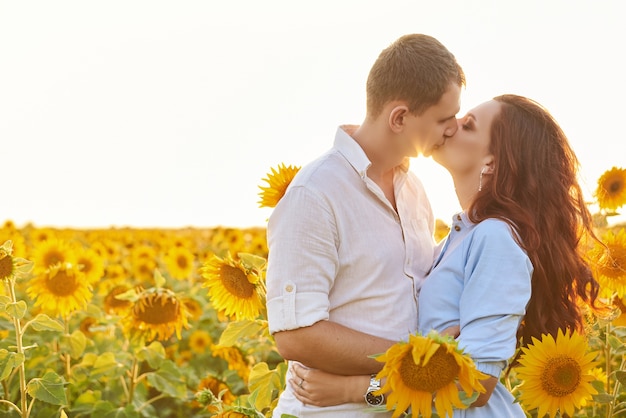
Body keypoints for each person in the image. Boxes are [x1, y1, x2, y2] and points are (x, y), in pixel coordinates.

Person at [287, 94, 602, 416]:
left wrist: (353, 389)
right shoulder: (462, 236)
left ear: (492, 161)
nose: (451, 127)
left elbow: (476, 384)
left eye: (468, 126)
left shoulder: (495, 238)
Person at [265, 34, 466, 417]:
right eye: (444, 118)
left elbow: (374, 392)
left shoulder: (415, 190)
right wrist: (414, 360)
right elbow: (295, 335)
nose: (453, 128)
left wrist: (371, 383)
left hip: (381, 401)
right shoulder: (315, 193)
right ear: (400, 118)